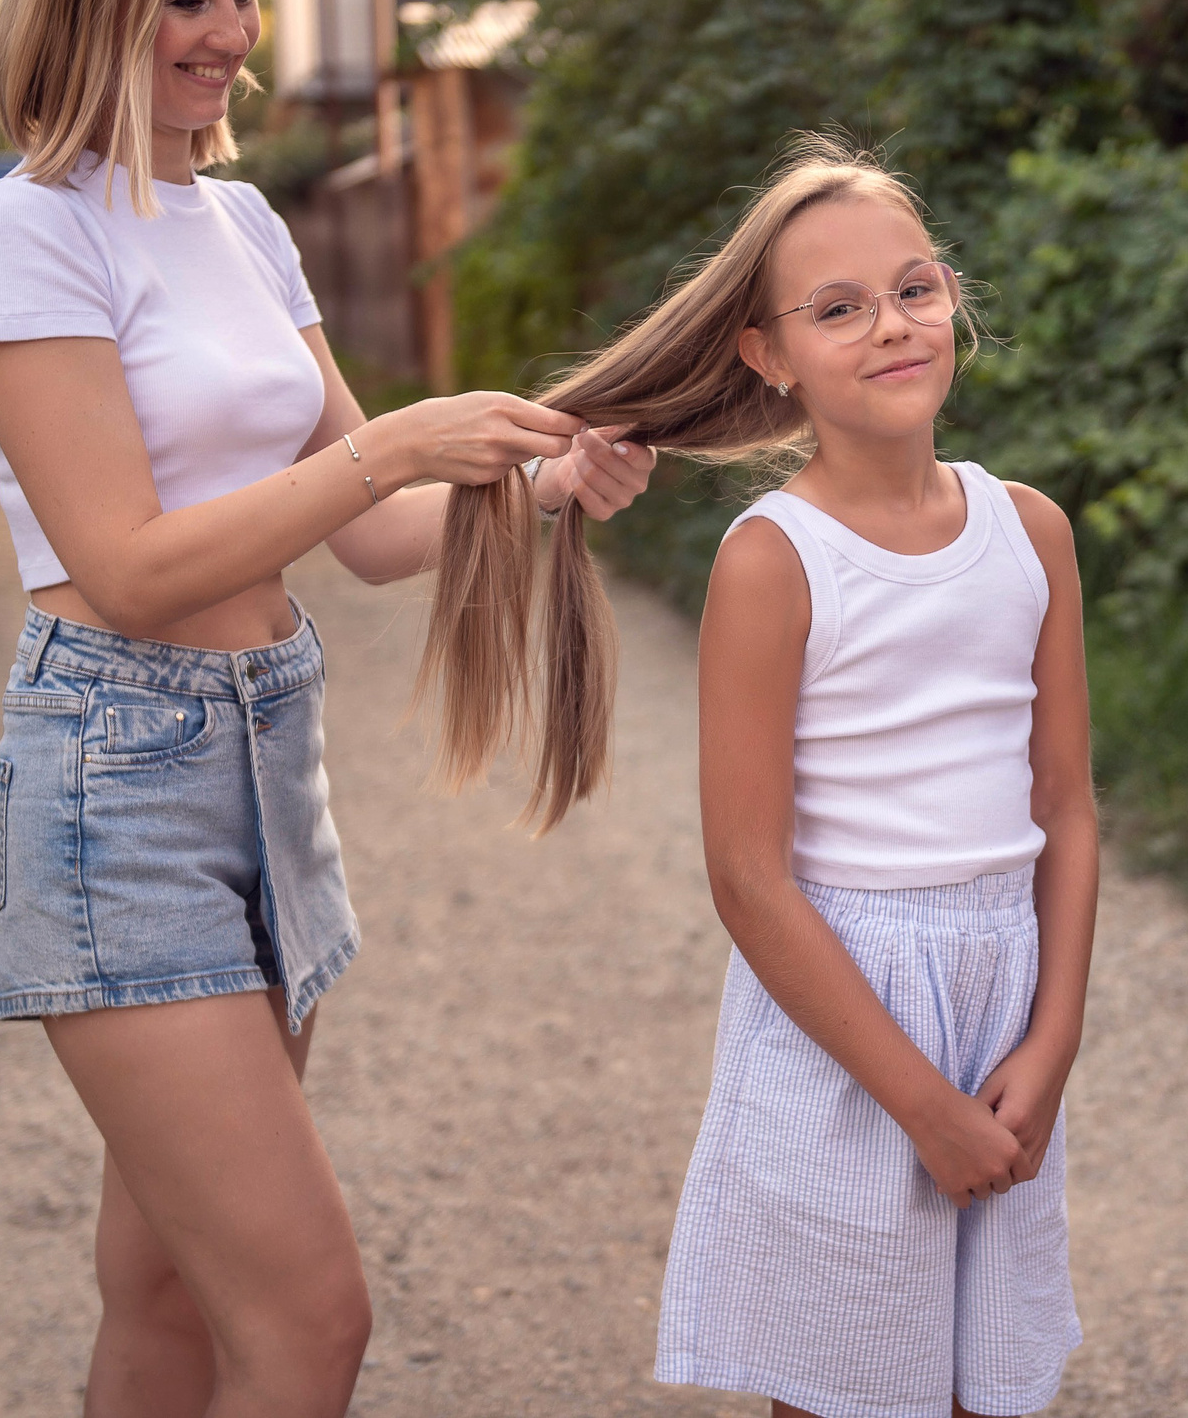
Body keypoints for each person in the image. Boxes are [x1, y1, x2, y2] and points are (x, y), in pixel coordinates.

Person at [0, 0, 653, 1418]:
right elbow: (122, 564)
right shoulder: (23, 230)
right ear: (91, 0)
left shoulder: (246, 227)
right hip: (120, 775)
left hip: (269, 759)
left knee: (171, 1285)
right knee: (313, 1318)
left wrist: (535, 485)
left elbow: (382, 537)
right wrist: (389, 439)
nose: (230, 34)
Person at [439, 138, 1096, 1417]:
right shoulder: (773, 558)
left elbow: (1064, 803)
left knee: (983, 1390)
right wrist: (921, 1103)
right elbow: (747, 877)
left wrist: (1055, 1034)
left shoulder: (1031, 530)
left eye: (914, 288)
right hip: (845, 1037)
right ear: (767, 352)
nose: (892, 326)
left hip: (1003, 1007)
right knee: (841, 1387)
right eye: (837, 308)